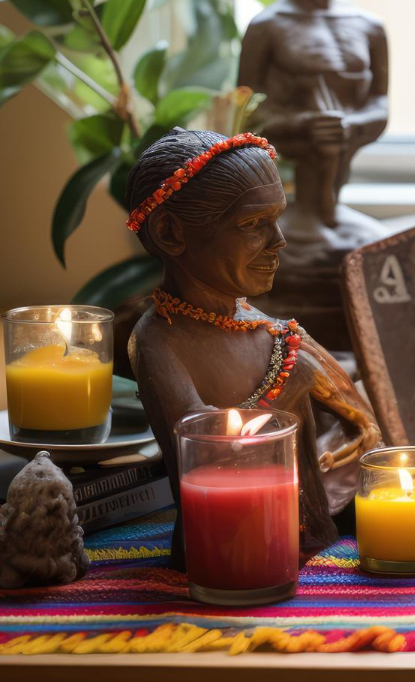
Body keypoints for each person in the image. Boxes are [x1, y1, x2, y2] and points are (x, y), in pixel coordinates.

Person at [124, 129, 380, 567]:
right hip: (225, 552)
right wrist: (291, 386)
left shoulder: (268, 329)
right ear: (169, 232)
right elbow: (205, 454)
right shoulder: (158, 339)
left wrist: (349, 440)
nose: (279, 240)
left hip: (310, 546)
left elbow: (363, 422)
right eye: (252, 224)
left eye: (276, 218)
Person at [237, 0, 388, 247]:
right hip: (294, 203)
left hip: (340, 204)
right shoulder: (267, 29)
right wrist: (304, 125)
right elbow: (245, 117)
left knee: (372, 251)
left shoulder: (369, 27)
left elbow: (379, 104)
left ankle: (329, 212)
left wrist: (350, 126)